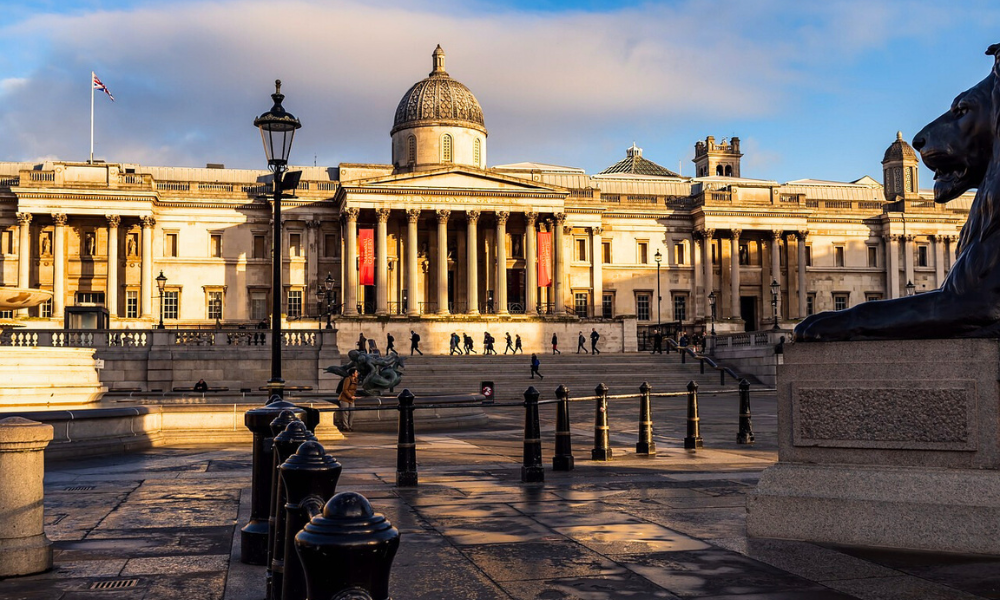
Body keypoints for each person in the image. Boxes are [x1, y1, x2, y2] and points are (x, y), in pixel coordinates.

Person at [337, 367, 359, 432]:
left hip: (351, 398)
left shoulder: (356, 380)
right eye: (356, 372)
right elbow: (345, 389)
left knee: (352, 412)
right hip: (344, 398)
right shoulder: (347, 379)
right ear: (352, 374)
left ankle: (350, 426)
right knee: (345, 413)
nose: (357, 373)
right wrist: (350, 396)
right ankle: (345, 427)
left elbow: (354, 390)